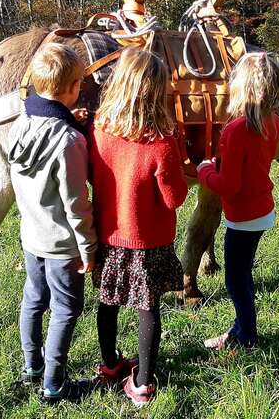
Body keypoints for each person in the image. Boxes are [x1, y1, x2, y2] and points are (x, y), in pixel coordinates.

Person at [89, 47, 188, 407]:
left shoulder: (98, 130)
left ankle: (111, 364)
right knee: (148, 308)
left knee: (108, 301)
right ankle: (143, 383)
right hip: (149, 242)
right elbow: (175, 198)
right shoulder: (163, 143)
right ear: (158, 92)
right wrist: (178, 152)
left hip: (109, 237)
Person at [7, 42, 96, 403]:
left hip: (31, 237)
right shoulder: (69, 141)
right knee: (66, 309)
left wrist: (68, 120)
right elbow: (77, 205)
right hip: (62, 246)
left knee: (33, 299)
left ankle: (32, 365)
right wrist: (88, 249)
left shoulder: (19, 123)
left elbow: (44, 134)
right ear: (74, 87)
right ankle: (53, 384)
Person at [197, 51, 279, 350]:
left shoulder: (235, 131)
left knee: (236, 280)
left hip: (243, 216)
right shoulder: (274, 122)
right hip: (262, 209)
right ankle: (242, 328)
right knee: (242, 271)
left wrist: (205, 171)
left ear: (241, 86)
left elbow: (228, 186)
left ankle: (245, 335)